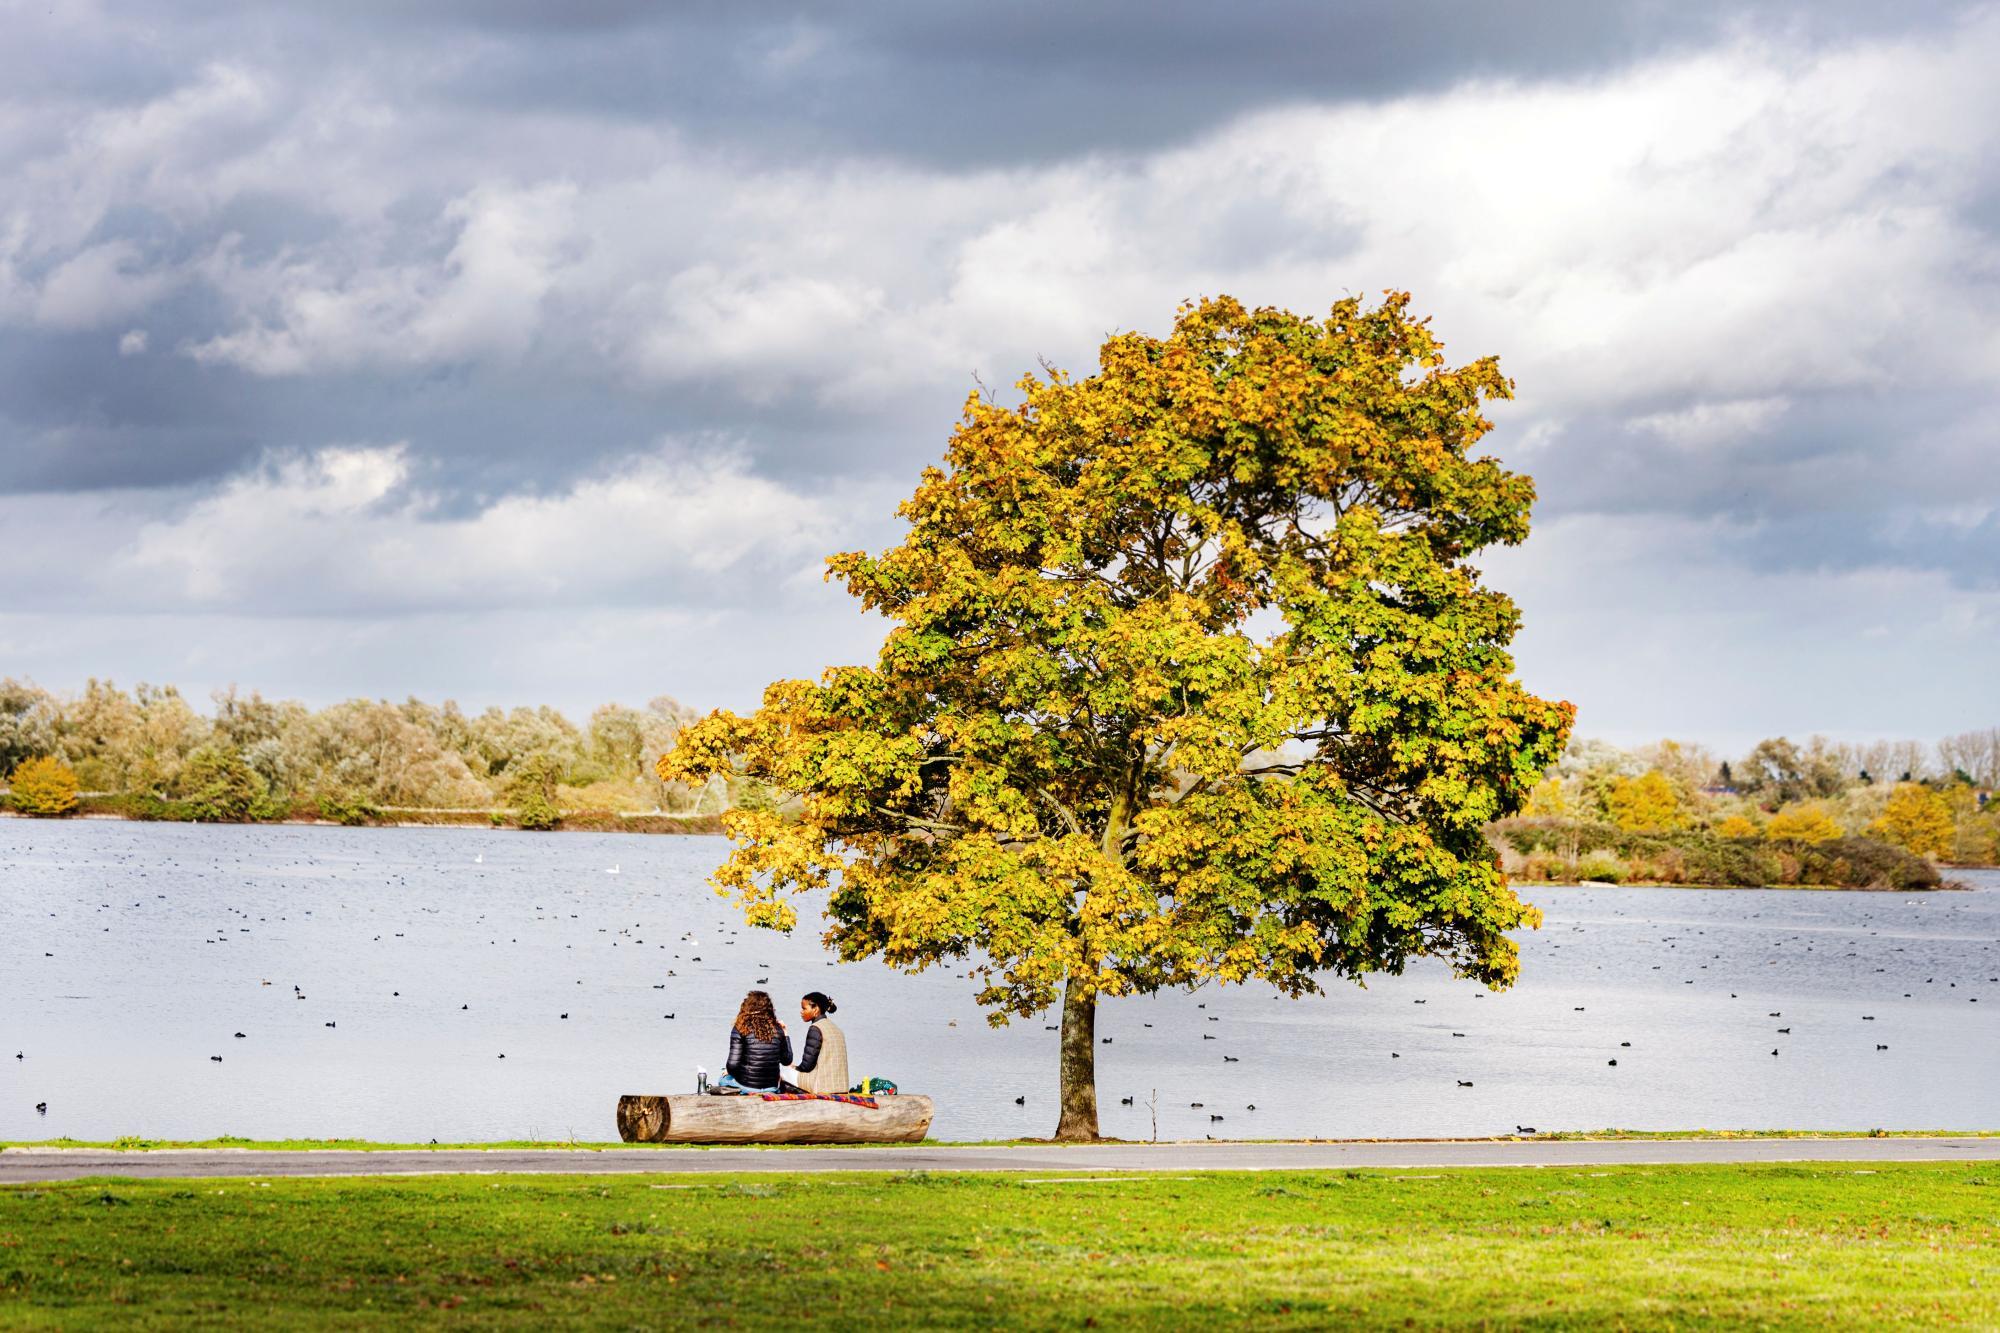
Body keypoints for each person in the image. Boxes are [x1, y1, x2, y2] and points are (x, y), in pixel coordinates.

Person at [715, 989, 791, 1094]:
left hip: (746, 1086)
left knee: (722, 1079)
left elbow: (732, 1065)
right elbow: (787, 1060)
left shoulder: (740, 1028)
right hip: (771, 1087)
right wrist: (785, 1033)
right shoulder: (777, 1029)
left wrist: (728, 1071)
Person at [791, 990, 849, 1096]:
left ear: (816, 1009)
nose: (801, 1011)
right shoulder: (836, 1029)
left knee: (781, 1071)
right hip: (841, 1086)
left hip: (821, 1086)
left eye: (804, 1008)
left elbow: (807, 1066)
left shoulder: (815, 1028)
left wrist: (794, 1068)